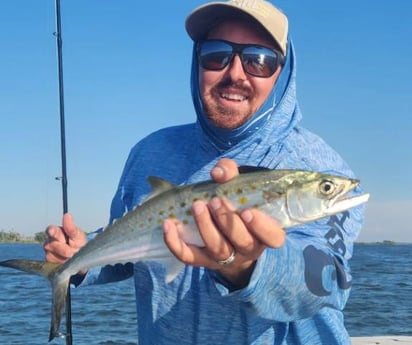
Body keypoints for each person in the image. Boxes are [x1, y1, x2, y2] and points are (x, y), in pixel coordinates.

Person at [44, 1, 365, 344]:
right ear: (197, 62)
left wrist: (246, 267)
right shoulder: (150, 152)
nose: (236, 74)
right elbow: (133, 245)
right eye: (217, 55)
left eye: (259, 59)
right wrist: (80, 258)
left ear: (282, 72)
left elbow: (327, 284)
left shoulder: (320, 168)